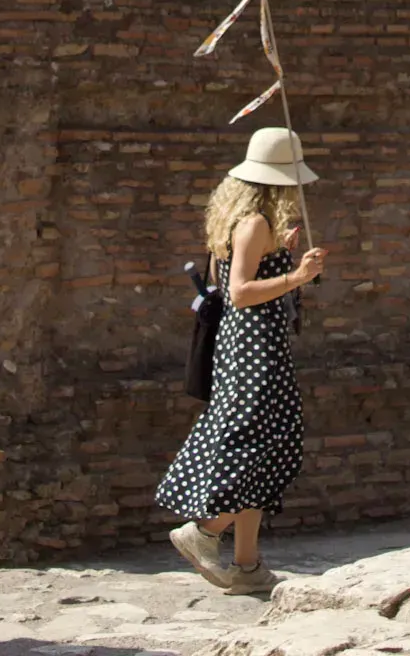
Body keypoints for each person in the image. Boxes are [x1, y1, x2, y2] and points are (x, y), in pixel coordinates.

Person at [159, 127, 326, 597]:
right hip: (254, 348)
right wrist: (297, 276)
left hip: (255, 344)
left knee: (266, 446)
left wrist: (288, 264)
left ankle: (248, 564)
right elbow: (238, 293)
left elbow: (230, 277)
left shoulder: (250, 224)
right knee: (255, 445)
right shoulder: (255, 223)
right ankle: (204, 532)